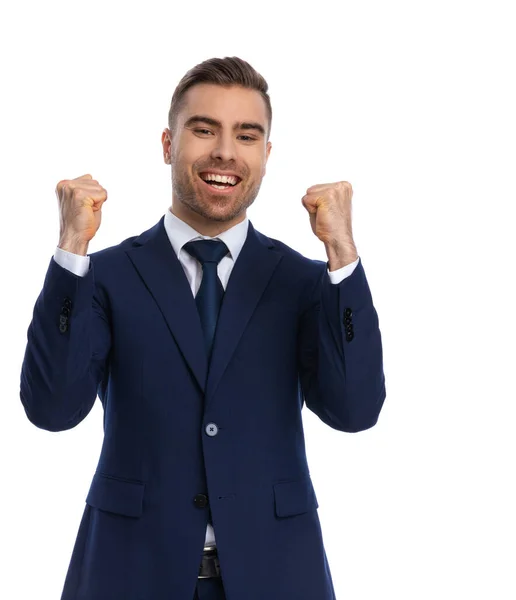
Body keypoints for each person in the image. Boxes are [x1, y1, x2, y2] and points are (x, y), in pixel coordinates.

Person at [19, 56, 386, 600]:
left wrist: (342, 253)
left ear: (265, 155)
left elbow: (355, 412)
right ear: (168, 145)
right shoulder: (106, 276)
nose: (224, 151)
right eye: (204, 129)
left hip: (278, 576)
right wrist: (72, 247)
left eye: (246, 134)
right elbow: (52, 408)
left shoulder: (305, 282)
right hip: (128, 574)